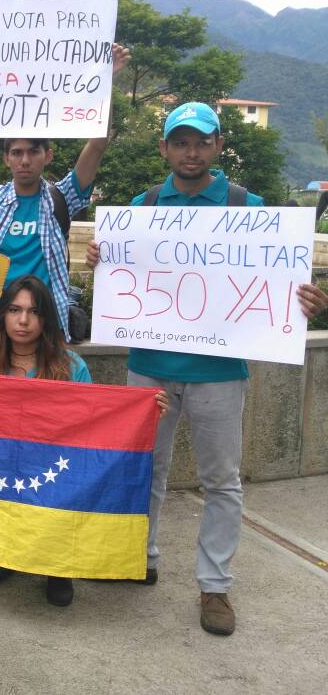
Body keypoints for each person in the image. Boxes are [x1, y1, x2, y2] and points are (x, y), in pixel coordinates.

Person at [85, 101, 328, 636]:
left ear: (218, 146)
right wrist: (103, 264)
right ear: (165, 149)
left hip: (219, 371)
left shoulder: (252, 208)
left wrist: (305, 301)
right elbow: (123, 277)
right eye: (180, 141)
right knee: (145, 470)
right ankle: (140, 559)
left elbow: (284, 286)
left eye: (201, 142)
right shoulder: (142, 207)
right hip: (149, 365)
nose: (190, 152)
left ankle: (214, 587)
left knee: (223, 481)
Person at [0, 276, 167, 608]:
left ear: (46, 319)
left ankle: (57, 568)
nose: (23, 321)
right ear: (2, 316)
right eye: (15, 310)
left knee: (56, 537)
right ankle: (14, 547)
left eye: (34, 312)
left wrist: (145, 413)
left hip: (55, 483)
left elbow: (96, 427)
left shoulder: (72, 367)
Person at [0, 44, 130, 339]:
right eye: (17, 153)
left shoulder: (63, 196)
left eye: (33, 151)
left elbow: (96, 145)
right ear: (7, 159)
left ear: (49, 155)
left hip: (48, 322)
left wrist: (105, 82)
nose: (25, 160)